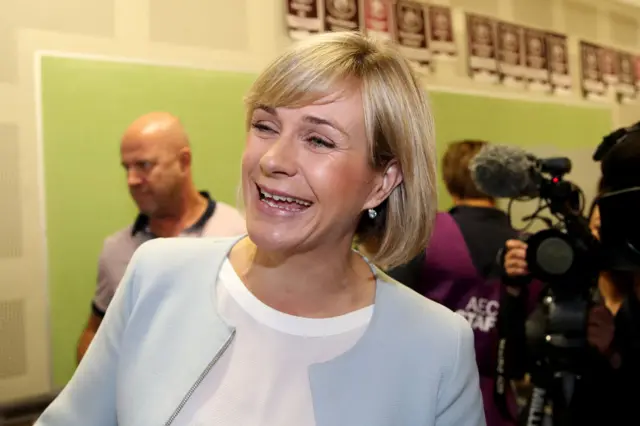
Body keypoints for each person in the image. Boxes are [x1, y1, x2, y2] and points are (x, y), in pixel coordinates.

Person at [36, 31, 485, 426]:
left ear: (381, 182)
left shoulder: (436, 347)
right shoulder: (157, 277)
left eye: (318, 139)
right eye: (265, 126)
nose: (273, 160)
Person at [76, 112, 246, 362]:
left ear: (183, 162)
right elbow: (95, 329)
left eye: (144, 165)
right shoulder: (116, 250)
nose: (132, 180)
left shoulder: (239, 235)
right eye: (127, 168)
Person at [388, 140, 530, 426]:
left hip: (428, 400)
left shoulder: (426, 234)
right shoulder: (529, 249)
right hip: (500, 406)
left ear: (448, 181)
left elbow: (389, 317)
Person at [502, 135, 640, 425]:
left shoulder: (634, 304)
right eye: (598, 230)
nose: (606, 240)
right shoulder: (564, 293)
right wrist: (513, 291)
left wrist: (613, 354)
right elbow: (513, 364)